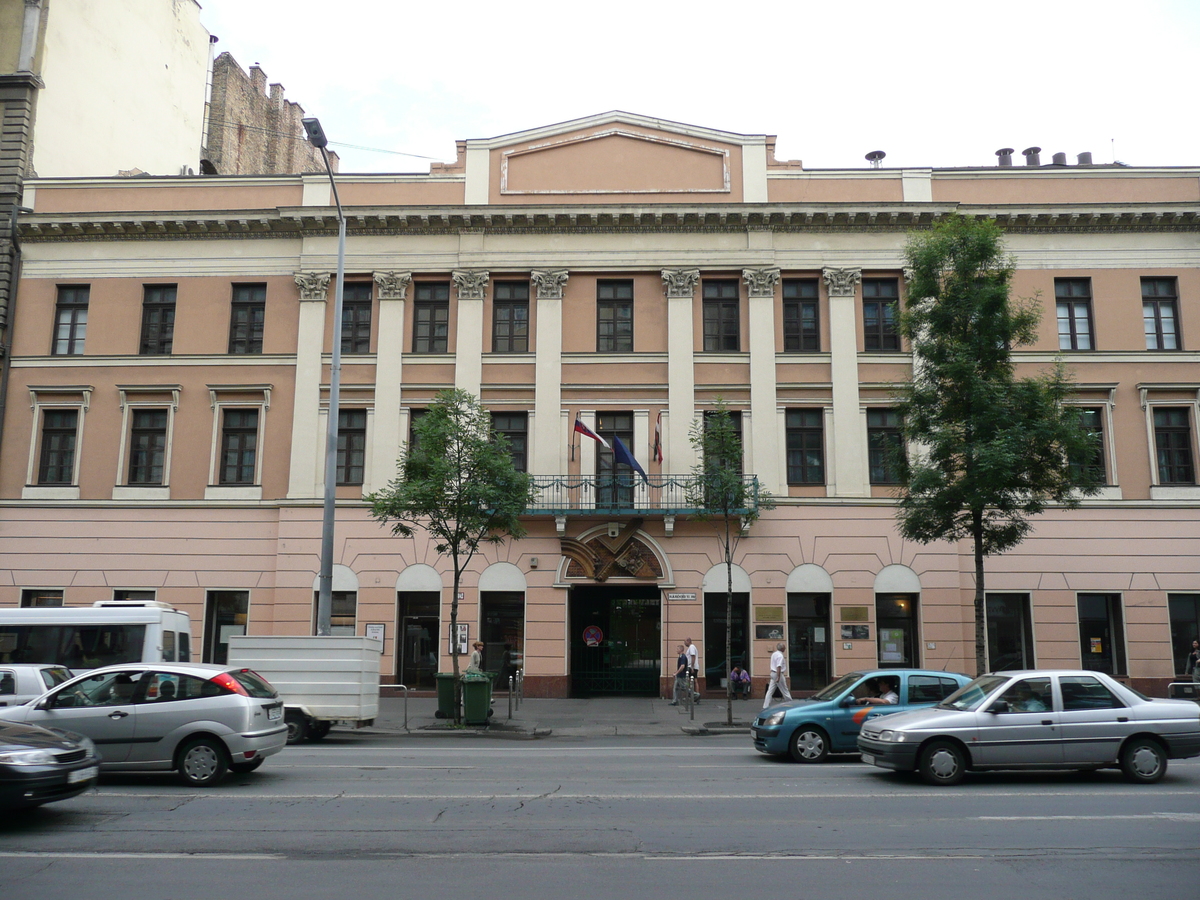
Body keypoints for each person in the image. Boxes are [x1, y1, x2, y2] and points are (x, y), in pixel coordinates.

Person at [762, 642, 792, 708]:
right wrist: (778, 677)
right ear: (782, 648)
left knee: (770, 691)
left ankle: (765, 706)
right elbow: (779, 666)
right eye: (784, 647)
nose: (785, 648)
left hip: (772, 673)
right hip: (778, 674)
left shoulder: (774, 654)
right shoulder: (780, 656)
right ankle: (790, 703)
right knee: (785, 690)